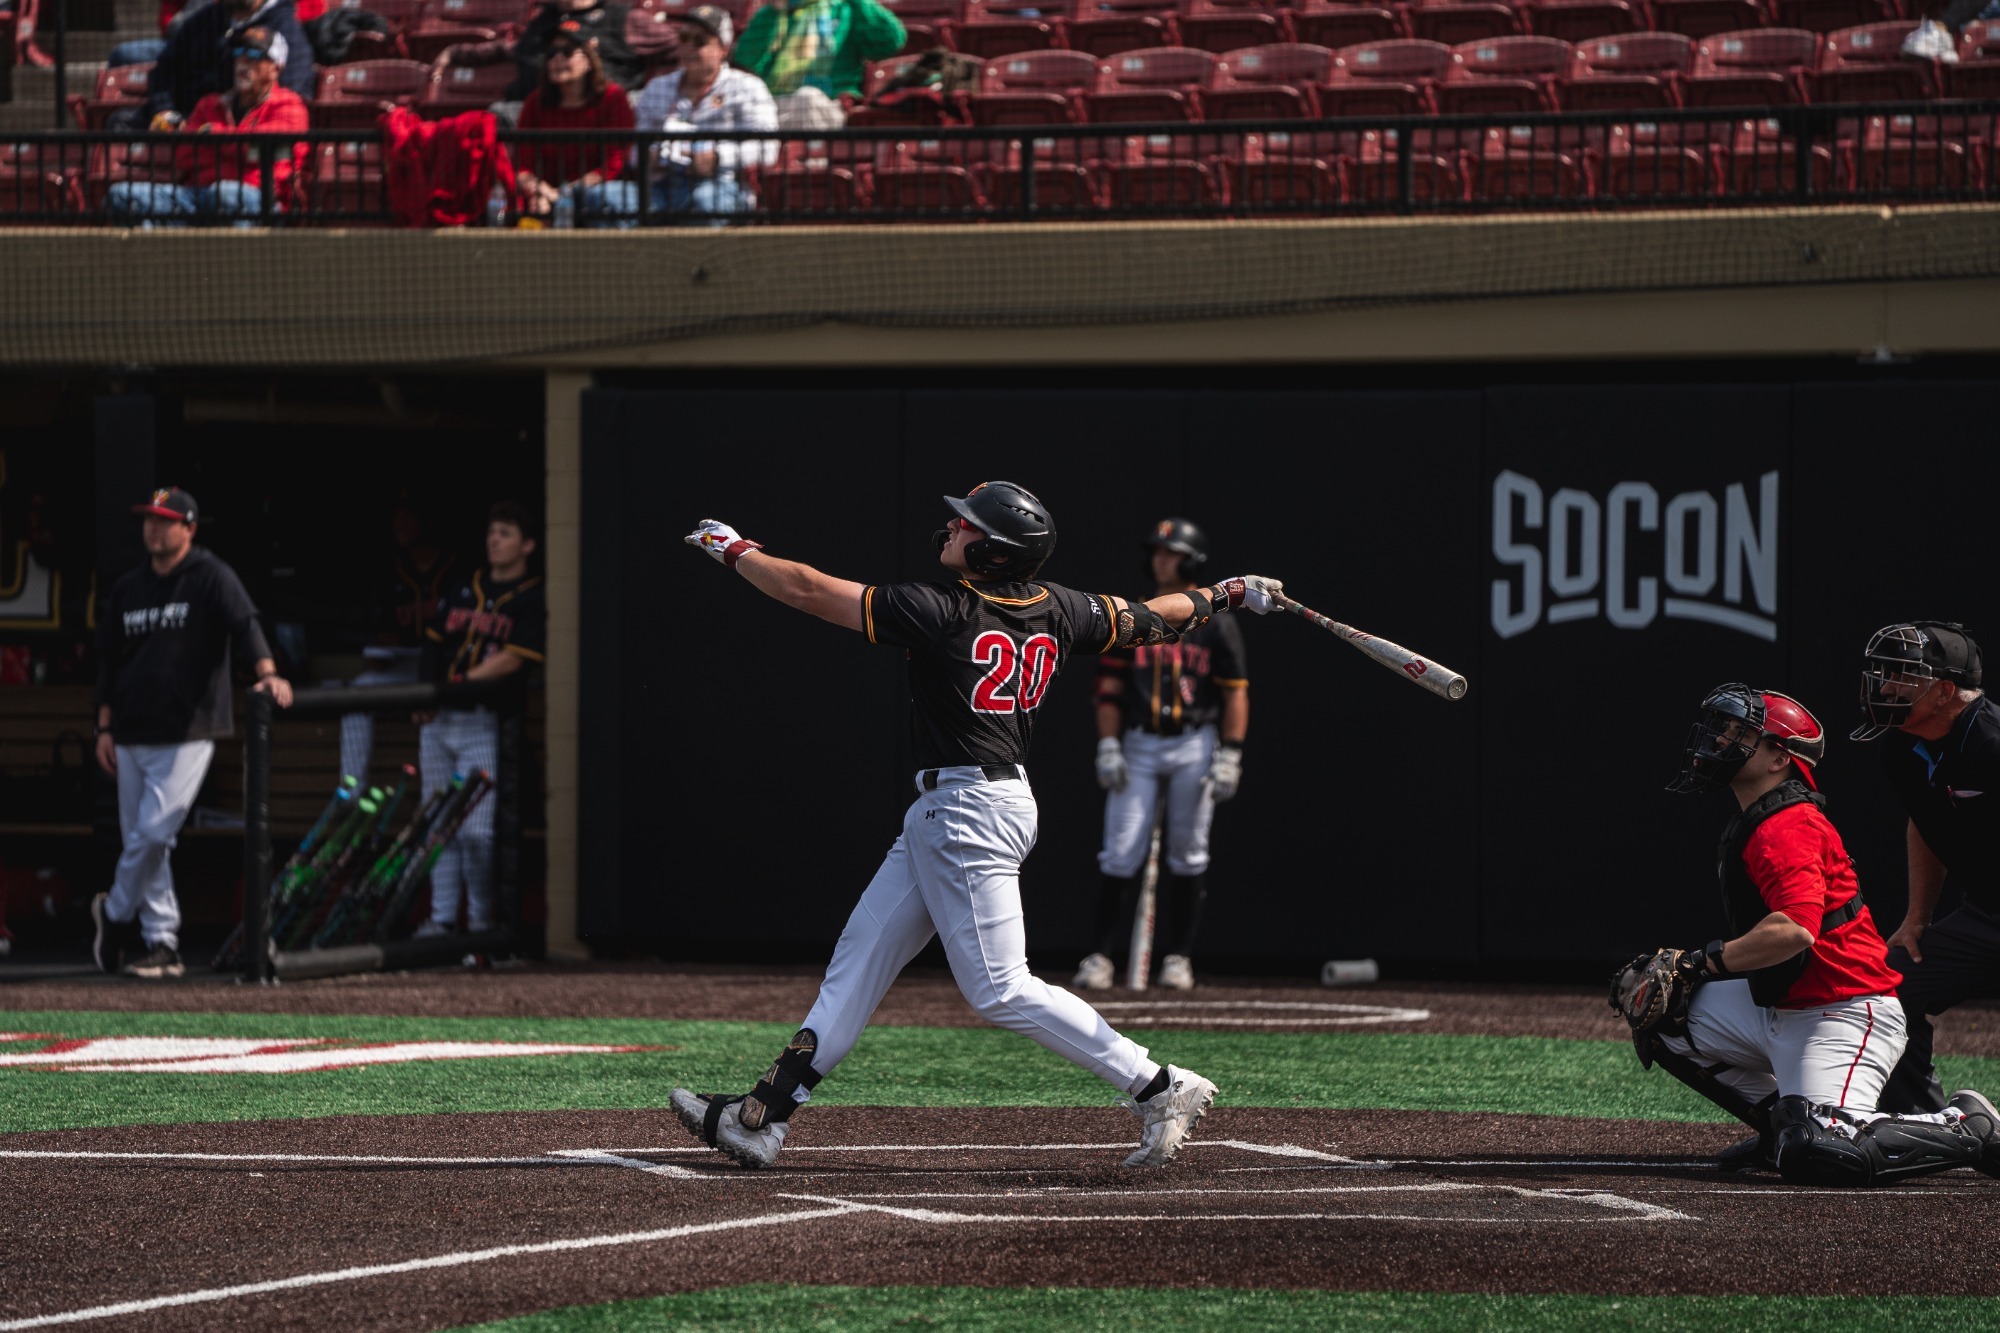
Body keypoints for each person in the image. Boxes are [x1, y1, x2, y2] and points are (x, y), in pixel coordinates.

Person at [668, 482, 1287, 1171]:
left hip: (967, 810)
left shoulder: (941, 609)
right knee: (860, 958)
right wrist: (1225, 594)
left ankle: (1157, 1084)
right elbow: (1153, 616)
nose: (951, 527)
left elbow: (809, 590)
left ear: (992, 550)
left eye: (965, 525)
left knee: (1000, 987)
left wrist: (735, 550)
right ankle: (763, 1116)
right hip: (965, 806)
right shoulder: (1057, 606)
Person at [1635, 681, 1999, 1186]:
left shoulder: (1787, 825)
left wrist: (1700, 963)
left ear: (1780, 757)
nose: (1720, 742)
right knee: (1661, 1011)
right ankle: (1778, 1127)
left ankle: (1966, 1124)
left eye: (1741, 734)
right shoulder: (1759, 817)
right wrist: (1684, 976)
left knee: (1822, 1152)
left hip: (1843, 1012)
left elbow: (1794, 932)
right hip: (1784, 1005)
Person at [91, 487, 294, 979]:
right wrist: (102, 726)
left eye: (165, 521)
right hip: (132, 731)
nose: (154, 529)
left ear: (189, 528)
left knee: (156, 830)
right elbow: (107, 662)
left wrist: (267, 670)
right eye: (148, 520)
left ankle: (114, 914)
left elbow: (245, 623)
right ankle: (162, 942)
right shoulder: (129, 587)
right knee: (145, 840)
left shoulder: (209, 575)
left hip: (189, 730)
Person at [1075, 517, 1248, 993]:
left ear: (1191, 560)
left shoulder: (1217, 624)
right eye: (1157, 552)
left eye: (1171, 553)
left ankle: (1178, 958)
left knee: (1189, 850)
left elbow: (1235, 693)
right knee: (1121, 848)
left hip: (1195, 742)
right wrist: (1108, 745)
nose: (1161, 559)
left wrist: (1231, 751)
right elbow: (1107, 689)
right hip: (1139, 741)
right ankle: (1101, 956)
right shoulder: (1137, 615)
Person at [1850, 623, 2000, 1115]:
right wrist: (1917, 919)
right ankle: (1919, 1125)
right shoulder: (1899, 745)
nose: (1886, 686)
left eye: (1902, 676)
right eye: (1885, 673)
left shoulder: (1992, 743)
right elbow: (1925, 824)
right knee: (1887, 989)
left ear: (1943, 691)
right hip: (1985, 915)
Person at [413, 502, 544, 937]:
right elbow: (432, 642)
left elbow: (512, 661)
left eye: (505, 533)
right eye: (492, 532)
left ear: (527, 544)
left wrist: (460, 681)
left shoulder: (533, 594)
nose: (494, 540)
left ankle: (484, 923)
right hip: (440, 722)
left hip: (485, 722)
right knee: (437, 825)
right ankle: (443, 919)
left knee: (478, 834)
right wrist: (428, 691)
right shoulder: (463, 584)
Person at [105, 28, 309, 227]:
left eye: (255, 54)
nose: (243, 62)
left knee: (226, 192)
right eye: (239, 53)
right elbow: (185, 155)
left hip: (260, 200)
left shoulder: (289, 105)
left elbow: (263, 147)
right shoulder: (210, 104)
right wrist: (235, 148)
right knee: (123, 196)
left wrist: (214, 136)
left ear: (276, 68)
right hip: (199, 195)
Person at [337, 492, 458, 785]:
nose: (399, 527)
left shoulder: (456, 567)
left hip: (448, 668)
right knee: (357, 694)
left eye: (407, 519)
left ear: (426, 523)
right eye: (397, 520)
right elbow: (384, 635)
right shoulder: (391, 570)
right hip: (406, 667)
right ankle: (350, 793)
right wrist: (381, 652)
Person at [632, 6, 776, 225]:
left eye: (699, 41)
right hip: (662, 184)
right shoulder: (657, 87)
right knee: (610, 198)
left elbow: (767, 147)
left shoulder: (747, 87)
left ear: (723, 49)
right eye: (684, 37)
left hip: (723, 184)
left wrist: (717, 157)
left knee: (704, 200)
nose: (689, 46)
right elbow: (634, 152)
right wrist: (649, 156)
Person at [513, 21, 639, 228]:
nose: (557, 58)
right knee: (506, 209)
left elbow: (615, 162)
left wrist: (566, 193)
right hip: (544, 197)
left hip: (594, 196)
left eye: (567, 51)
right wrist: (539, 189)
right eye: (552, 53)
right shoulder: (535, 102)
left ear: (589, 60)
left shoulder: (612, 97)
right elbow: (522, 164)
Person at [128, 0, 313, 128]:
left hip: (233, 129)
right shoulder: (203, 20)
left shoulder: (287, 31)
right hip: (183, 119)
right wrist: (164, 110)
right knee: (122, 122)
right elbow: (163, 71)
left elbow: (289, 98)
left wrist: (225, 124)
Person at [731, 0, 904, 127]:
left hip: (829, 105)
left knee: (807, 98)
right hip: (775, 103)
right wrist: (773, 13)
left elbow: (890, 43)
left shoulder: (847, 9)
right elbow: (745, 63)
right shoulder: (773, 11)